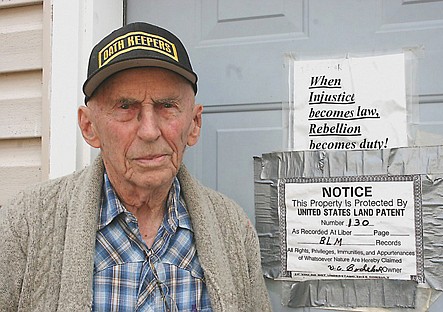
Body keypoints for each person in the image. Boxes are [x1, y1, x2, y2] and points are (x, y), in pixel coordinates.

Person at [0, 22, 272, 312]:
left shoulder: (231, 226)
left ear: (194, 124)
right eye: (125, 107)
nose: (149, 131)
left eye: (167, 105)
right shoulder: (25, 223)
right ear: (89, 126)